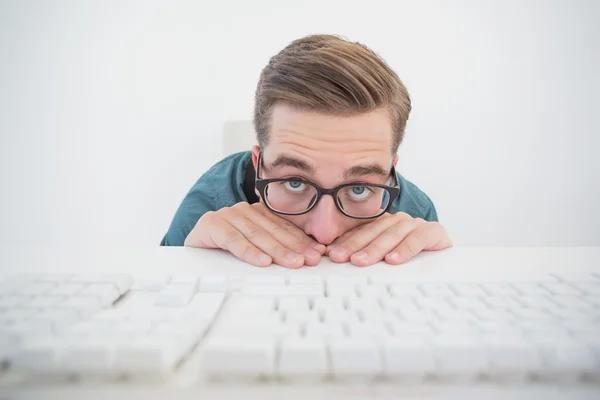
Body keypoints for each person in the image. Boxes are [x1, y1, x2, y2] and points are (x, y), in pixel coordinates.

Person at [161, 34, 452, 268]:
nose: (324, 232)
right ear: (258, 164)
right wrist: (185, 266)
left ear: (391, 172)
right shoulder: (211, 202)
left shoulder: (416, 214)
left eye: (360, 188)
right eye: (294, 182)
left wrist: (447, 271)